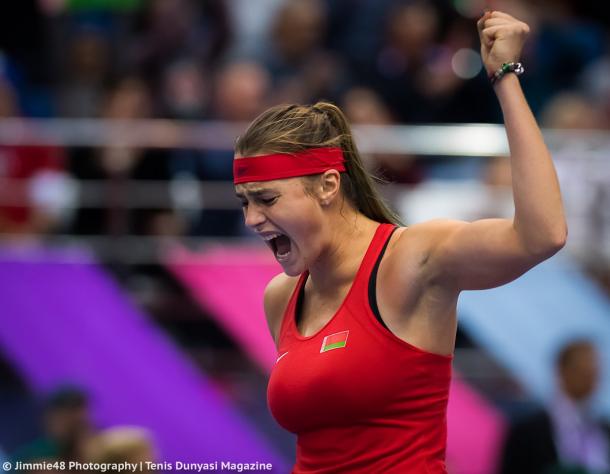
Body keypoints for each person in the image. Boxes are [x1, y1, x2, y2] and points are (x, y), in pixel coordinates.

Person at [233, 10, 567, 473]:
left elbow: (543, 235)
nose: (251, 219)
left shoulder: (415, 258)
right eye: (243, 202)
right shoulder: (282, 297)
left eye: (265, 198)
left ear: (329, 186)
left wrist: (505, 78)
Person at [500, 340, 610, 474]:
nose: (591, 379)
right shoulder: (529, 430)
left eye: (594, 372)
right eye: (583, 370)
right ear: (562, 370)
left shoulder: (601, 428)